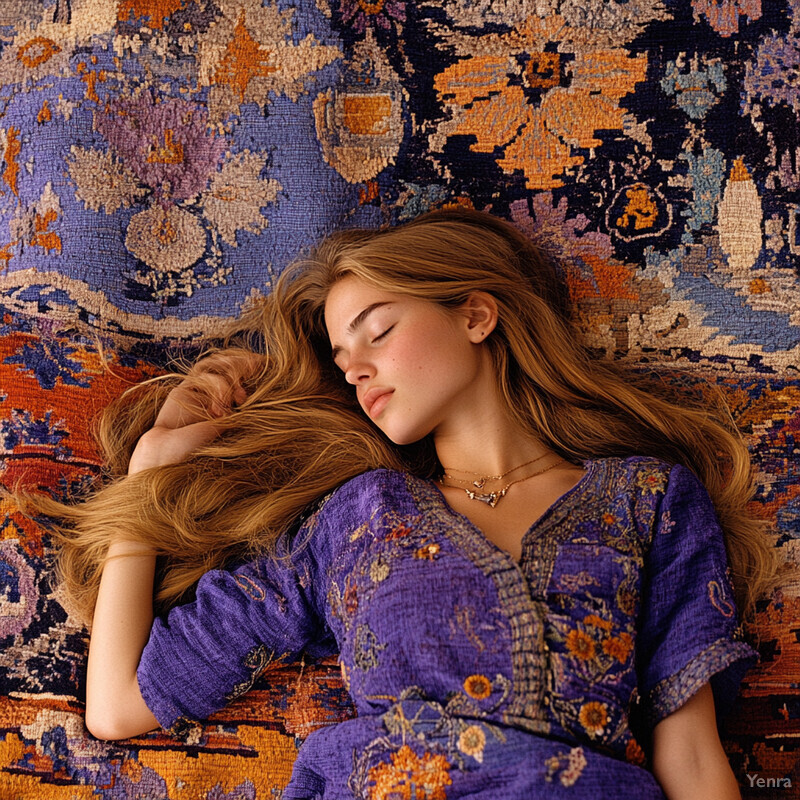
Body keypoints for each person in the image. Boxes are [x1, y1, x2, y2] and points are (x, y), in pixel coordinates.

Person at [41, 208, 781, 799]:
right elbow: (118, 707)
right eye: (342, 361)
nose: (357, 371)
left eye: (379, 333)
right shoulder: (351, 520)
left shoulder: (648, 499)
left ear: (476, 315)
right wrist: (150, 472)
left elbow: (688, 752)